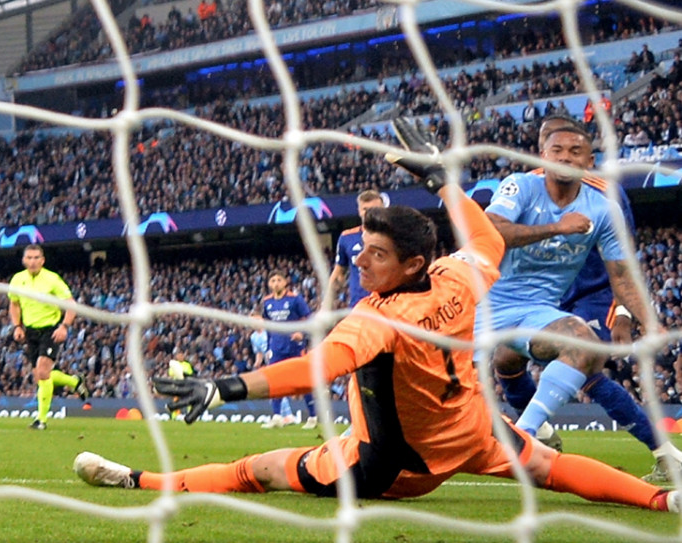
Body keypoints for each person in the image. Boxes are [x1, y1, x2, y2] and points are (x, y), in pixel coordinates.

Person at [73, 119, 679, 512]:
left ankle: (136, 483)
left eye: (377, 254)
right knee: (547, 464)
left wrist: (225, 386)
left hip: (396, 467)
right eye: (363, 247)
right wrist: (445, 182)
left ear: (412, 263)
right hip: (469, 433)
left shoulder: (377, 320)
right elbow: (484, 238)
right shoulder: (455, 276)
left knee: (254, 470)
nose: (361, 258)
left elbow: (310, 369)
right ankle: (661, 502)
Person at [478, 119, 682, 478]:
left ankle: (525, 437)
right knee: (504, 363)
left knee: (586, 358)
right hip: (486, 302)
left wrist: (638, 318)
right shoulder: (520, 186)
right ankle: (541, 433)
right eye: (555, 149)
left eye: (575, 151)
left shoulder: (604, 202)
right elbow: (489, 230)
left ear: (589, 159)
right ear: (542, 152)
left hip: (568, 302)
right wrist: (557, 228)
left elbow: (622, 272)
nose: (564, 157)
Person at [8, 244, 87, 430]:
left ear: (42, 260)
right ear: (24, 260)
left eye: (36, 258)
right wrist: (17, 326)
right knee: (40, 375)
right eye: (29, 257)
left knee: (43, 372)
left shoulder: (52, 279)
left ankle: (41, 420)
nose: (33, 261)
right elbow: (14, 304)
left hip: (50, 330)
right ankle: (74, 381)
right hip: (30, 332)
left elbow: (71, 304)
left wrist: (64, 326)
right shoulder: (17, 280)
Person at [260, 269, 316, 429]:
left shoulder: (295, 299)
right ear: (269, 284)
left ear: (285, 282)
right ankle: (277, 416)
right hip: (276, 347)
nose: (275, 283)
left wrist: (302, 333)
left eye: (279, 280)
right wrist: (269, 345)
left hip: (295, 347)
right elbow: (268, 325)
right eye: (272, 280)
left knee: (303, 382)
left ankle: (312, 417)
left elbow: (309, 319)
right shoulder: (266, 302)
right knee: (274, 381)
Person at [328, 190, 387, 307]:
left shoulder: (394, 236)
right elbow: (339, 272)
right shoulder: (347, 237)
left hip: (387, 304)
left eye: (374, 209)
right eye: (365, 209)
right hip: (359, 306)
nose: (369, 213)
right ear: (359, 211)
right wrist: (327, 302)